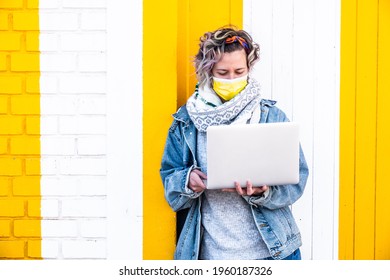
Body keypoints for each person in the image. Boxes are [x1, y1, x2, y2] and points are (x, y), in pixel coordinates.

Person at [160, 26, 309, 260]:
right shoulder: (186, 120)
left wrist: (264, 192)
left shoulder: (271, 116)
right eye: (223, 72)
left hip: (273, 253)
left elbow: (296, 181)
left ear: (249, 68)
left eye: (239, 71)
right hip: (209, 255)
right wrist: (188, 181)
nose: (231, 79)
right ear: (208, 71)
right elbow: (169, 178)